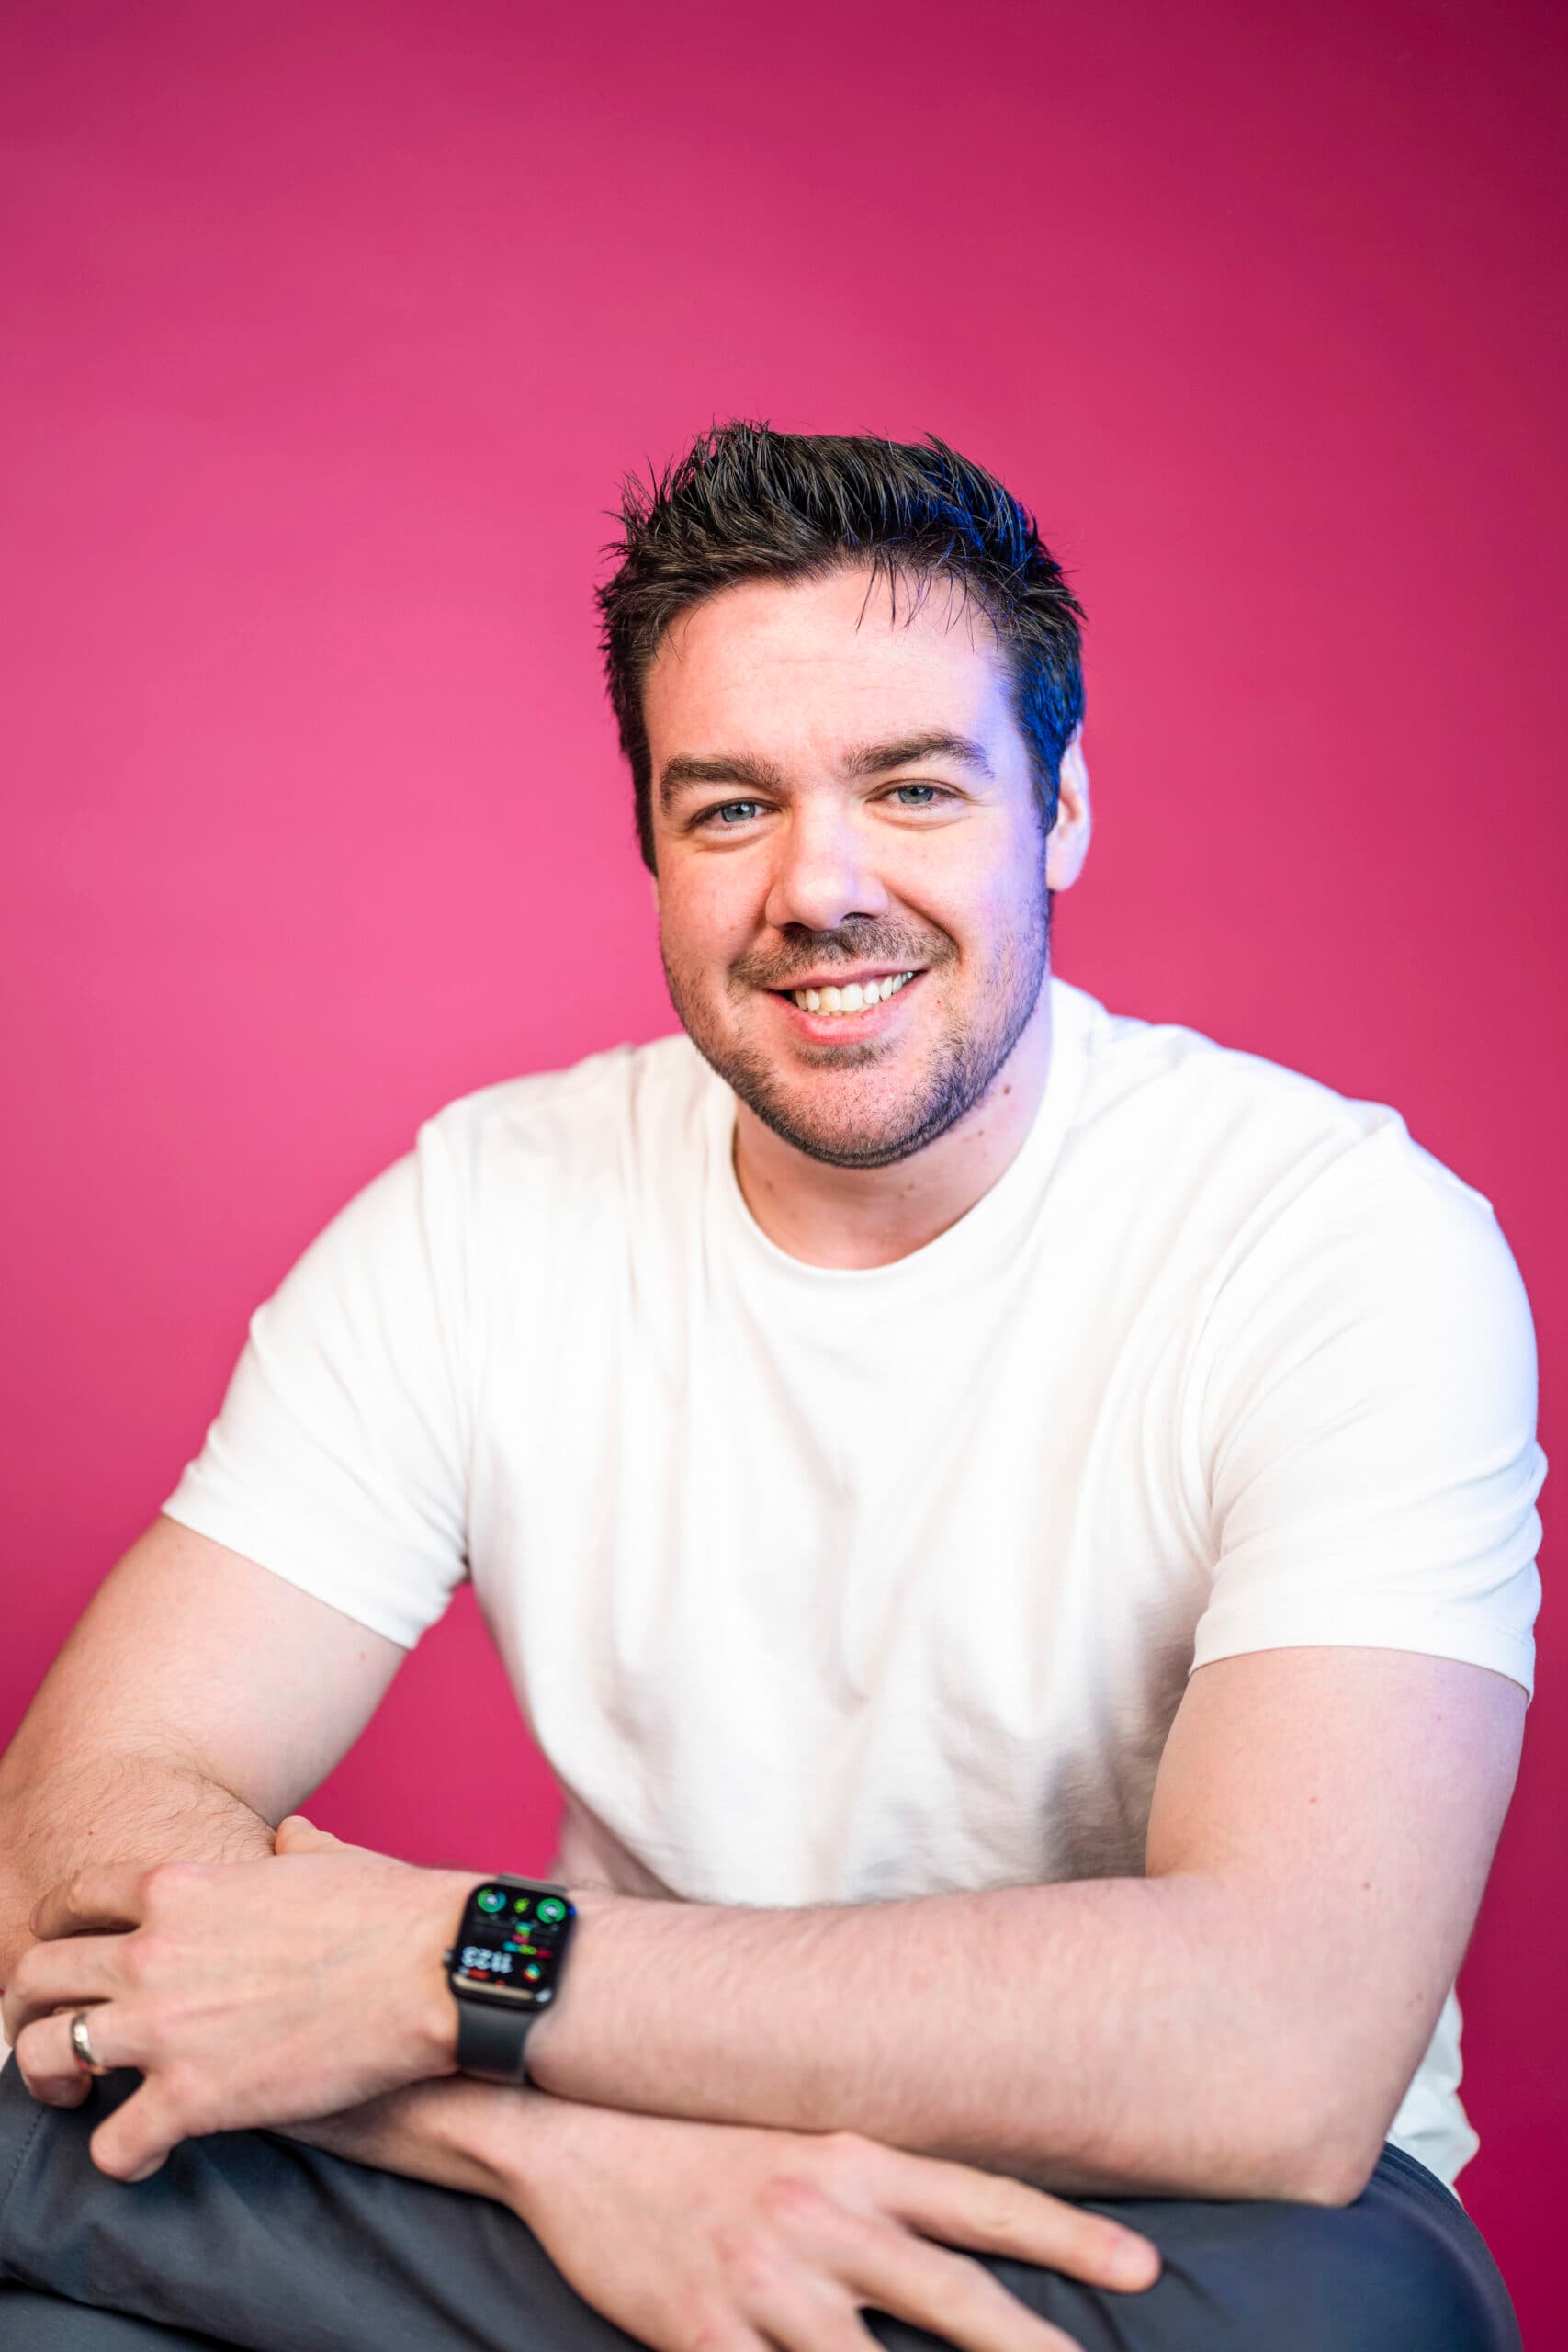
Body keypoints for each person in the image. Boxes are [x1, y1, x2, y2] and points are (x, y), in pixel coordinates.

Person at [0, 424, 1544, 2352]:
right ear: (647, 842)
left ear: (1054, 809)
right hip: (573, 2118)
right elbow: (75, 1822)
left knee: (1350, 2312)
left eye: (910, 787)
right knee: (38, 2106)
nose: (818, 886)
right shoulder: (483, 1207)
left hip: (1130, 2197)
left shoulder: (1338, 1242)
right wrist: (560, 2152)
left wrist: (442, 1959)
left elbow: (1280, 2039)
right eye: (728, 806)